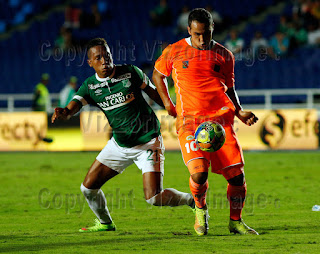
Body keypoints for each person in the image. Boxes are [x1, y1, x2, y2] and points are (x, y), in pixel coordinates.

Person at [52, 38, 194, 232]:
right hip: (119, 145)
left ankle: (192, 200)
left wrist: (176, 112)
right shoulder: (90, 86)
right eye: (98, 58)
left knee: (153, 198)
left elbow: (154, 93)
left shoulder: (130, 72)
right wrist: (65, 113)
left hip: (148, 142)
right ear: (90, 62)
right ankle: (105, 223)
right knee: (88, 189)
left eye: (107, 56)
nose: (104, 61)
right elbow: (72, 107)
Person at [152, 8, 259, 236]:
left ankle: (235, 222)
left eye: (206, 34)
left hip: (220, 123)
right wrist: (168, 105)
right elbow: (157, 75)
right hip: (190, 122)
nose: (202, 39)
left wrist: (239, 112)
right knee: (199, 173)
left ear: (213, 29)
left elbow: (230, 89)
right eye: (197, 34)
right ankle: (200, 211)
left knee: (237, 177)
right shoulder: (175, 51)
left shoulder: (225, 55)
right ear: (189, 29)